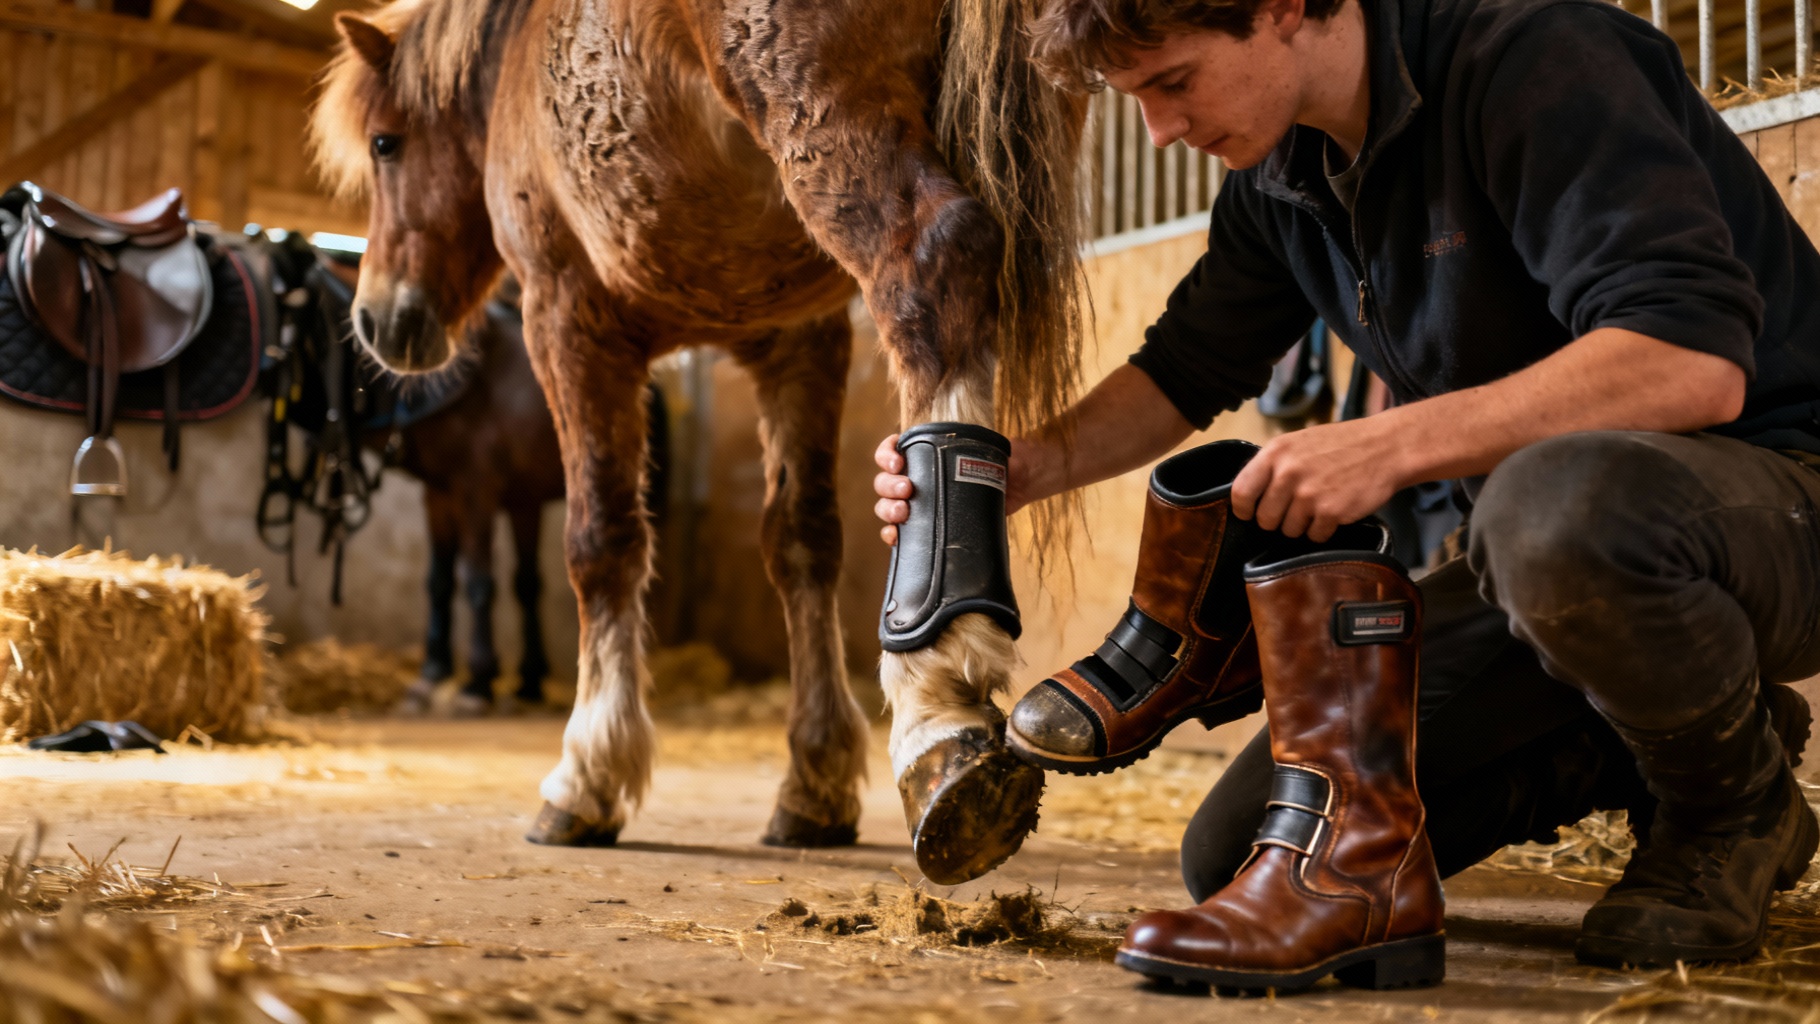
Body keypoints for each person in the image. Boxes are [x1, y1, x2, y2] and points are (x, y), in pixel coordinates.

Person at [871, 0, 1820, 989]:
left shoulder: (1536, 58)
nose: (1162, 131)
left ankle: (1728, 810)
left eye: (1172, 83)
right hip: (1548, 570)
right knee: (1247, 851)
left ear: (1282, 9)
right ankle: (1670, 732)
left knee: (1547, 509)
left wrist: (1385, 442)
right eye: (1134, 100)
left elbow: (1688, 364)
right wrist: (1024, 467)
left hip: (1774, 502)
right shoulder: (1283, 170)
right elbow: (1185, 367)